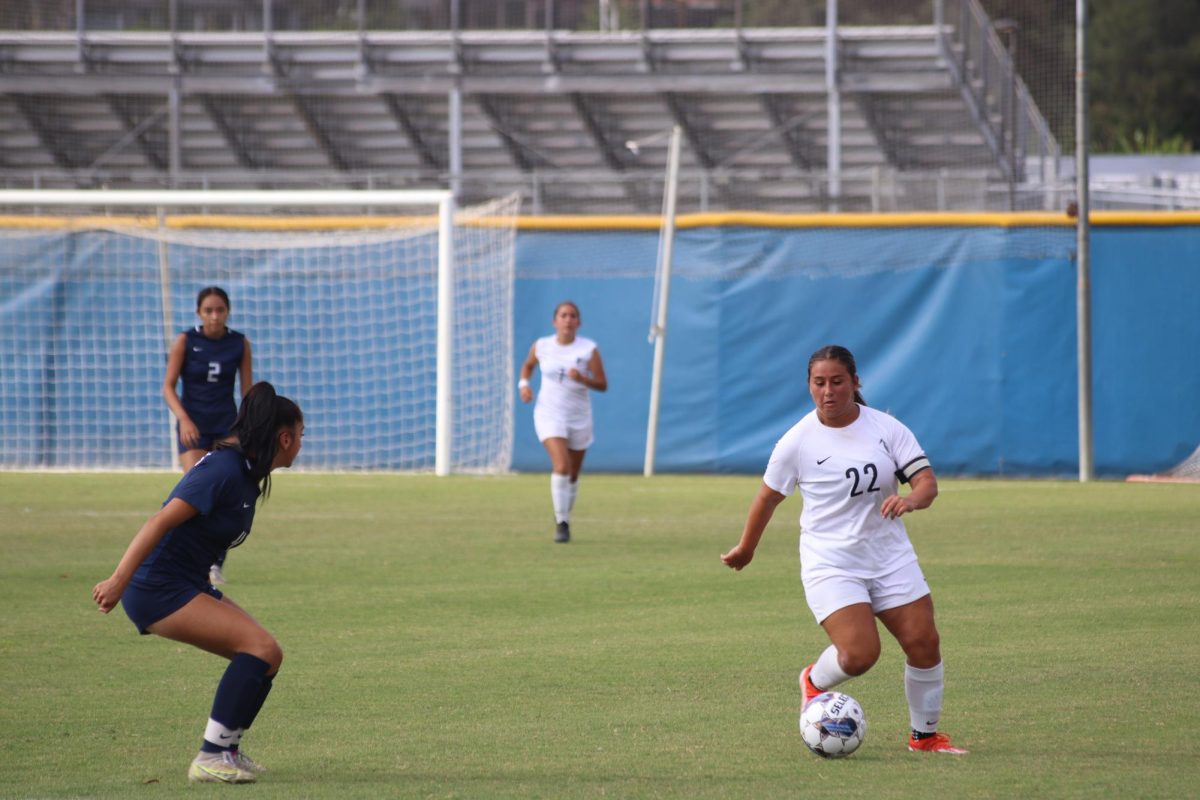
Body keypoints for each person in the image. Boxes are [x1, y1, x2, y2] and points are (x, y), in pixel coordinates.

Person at [721, 345, 967, 755]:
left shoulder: (886, 428)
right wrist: (747, 548)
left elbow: (926, 483)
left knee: (924, 642)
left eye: (838, 381)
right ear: (809, 386)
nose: (828, 391)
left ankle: (924, 737)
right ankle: (814, 681)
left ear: (856, 382)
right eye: (819, 383)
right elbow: (767, 498)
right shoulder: (797, 441)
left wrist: (911, 500)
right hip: (831, 562)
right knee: (859, 655)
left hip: (889, 556)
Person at [93, 382, 304, 784]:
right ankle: (209, 756)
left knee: (269, 655)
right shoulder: (223, 470)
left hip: (185, 581)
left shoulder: (247, 473)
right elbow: (160, 520)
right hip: (157, 587)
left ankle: (227, 749)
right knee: (258, 648)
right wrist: (118, 580)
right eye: (301, 436)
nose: (301, 444)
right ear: (284, 437)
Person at [163, 286, 253, 586]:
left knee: (227, 497)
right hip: (194, 429)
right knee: (197, 494)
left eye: (220, 310)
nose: (215, 316)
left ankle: (213, 563)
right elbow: (168, 387)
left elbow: (247, 393)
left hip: (226, 429)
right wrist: (184, 419)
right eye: (209, 311)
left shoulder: (239, 344)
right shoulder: (186, 341)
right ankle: (187, 560)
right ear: (199, 313)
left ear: (228, 312)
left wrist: (246, 428)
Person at [518, 301, 608, 543]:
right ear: (554, 321)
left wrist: (583, 378)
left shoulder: (588, 349)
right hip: (549, 413)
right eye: (563, 315)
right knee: (562, 466)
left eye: (573, 316)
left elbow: (602, 384)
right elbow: (527, 367)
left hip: (579, 416)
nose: (568, 320)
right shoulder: (542, 346)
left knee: (573, 472)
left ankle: (566, 514)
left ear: (578, 322)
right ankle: (562, 523)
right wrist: (524, 385)